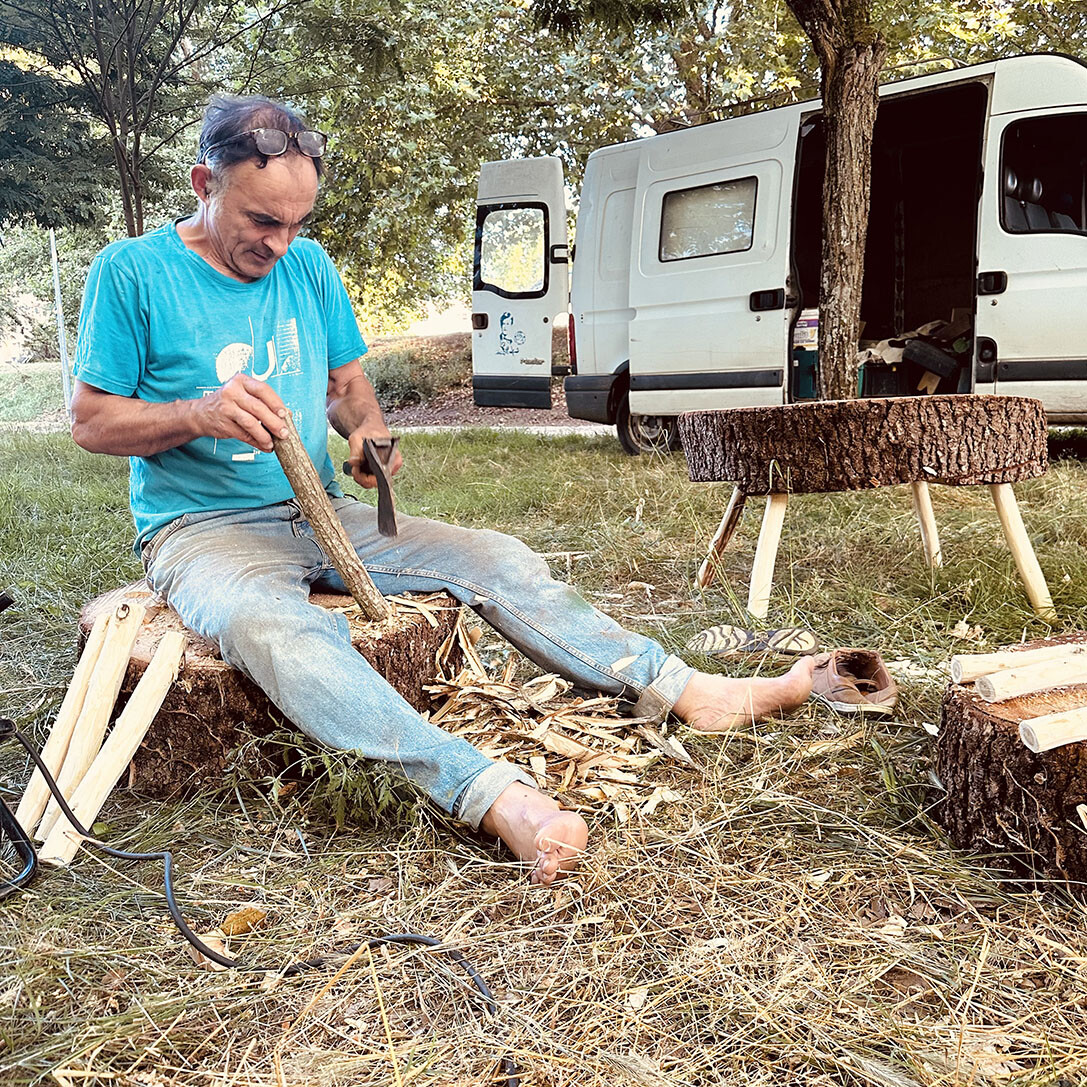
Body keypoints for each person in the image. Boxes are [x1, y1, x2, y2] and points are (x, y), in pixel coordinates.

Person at [70, 94, 814, 885]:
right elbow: (90, 420)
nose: (280, 243)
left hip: (321, 510)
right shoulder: (132, 271)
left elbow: (347, 387)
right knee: (270, 627)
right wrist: (197, 412)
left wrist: (370, 436)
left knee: (495, 556)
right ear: (203, 184)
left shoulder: (307, 267)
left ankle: (683, 688)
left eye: (296, 223)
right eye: (261, 221)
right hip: (201, 529)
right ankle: (491, 795)